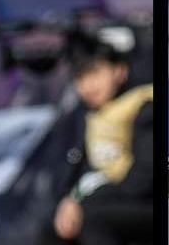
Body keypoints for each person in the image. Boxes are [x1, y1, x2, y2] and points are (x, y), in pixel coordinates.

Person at [37, 34, 153, 245]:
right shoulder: (85, 114)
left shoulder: (144, 105)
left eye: (95, 73)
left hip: (143, 202)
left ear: (120, 70)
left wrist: (82, 202)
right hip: (102, 199)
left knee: (91, 219)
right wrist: (68, 201)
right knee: (53, 227)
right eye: (80, 78)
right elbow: (72, 169)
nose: (88, 86)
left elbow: (142, 180)